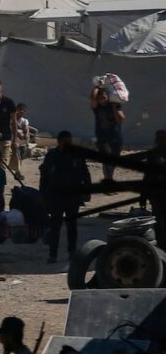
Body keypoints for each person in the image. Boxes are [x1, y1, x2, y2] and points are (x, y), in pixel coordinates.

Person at [40, 131, 91, 263]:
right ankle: (53, 254)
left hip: (72, 196)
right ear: (59, 142)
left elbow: (85, 174)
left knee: (72, 226)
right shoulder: (52, 155)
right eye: (65, 142)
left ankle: (72, 252)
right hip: (56, 196)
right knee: (55, 226)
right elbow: (44, 176)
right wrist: (42, 195)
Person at [90, 80, 125, 182]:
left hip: (116, 137)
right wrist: (97, 86)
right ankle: (108, 180)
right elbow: (93, 98)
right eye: (100, 98)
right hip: (102, 138)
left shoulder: (114, 104)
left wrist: (114, 107)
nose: (102, 100)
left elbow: (120, 119)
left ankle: (109, 178)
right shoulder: (97, 107)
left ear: (108, 97)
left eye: (104, 97)